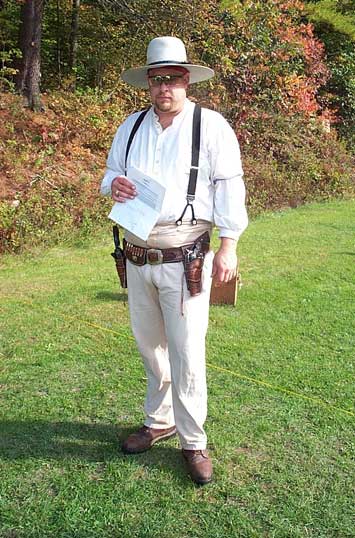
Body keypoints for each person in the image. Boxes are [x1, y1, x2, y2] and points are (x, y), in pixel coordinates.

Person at [101, 36, 248, 485]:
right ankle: (159, 419)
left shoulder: (212, 126)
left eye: (173, 78)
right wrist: (115, 187)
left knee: (187, 350)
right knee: (150, 346)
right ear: (148, 82)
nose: (165, 86)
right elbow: (109, 176)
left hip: (186, 256)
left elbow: (229, 186)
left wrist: (229, 245)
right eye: (157, 78)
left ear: (187, 81)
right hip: (137, 252)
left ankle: (193, 440)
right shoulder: (129, 126)